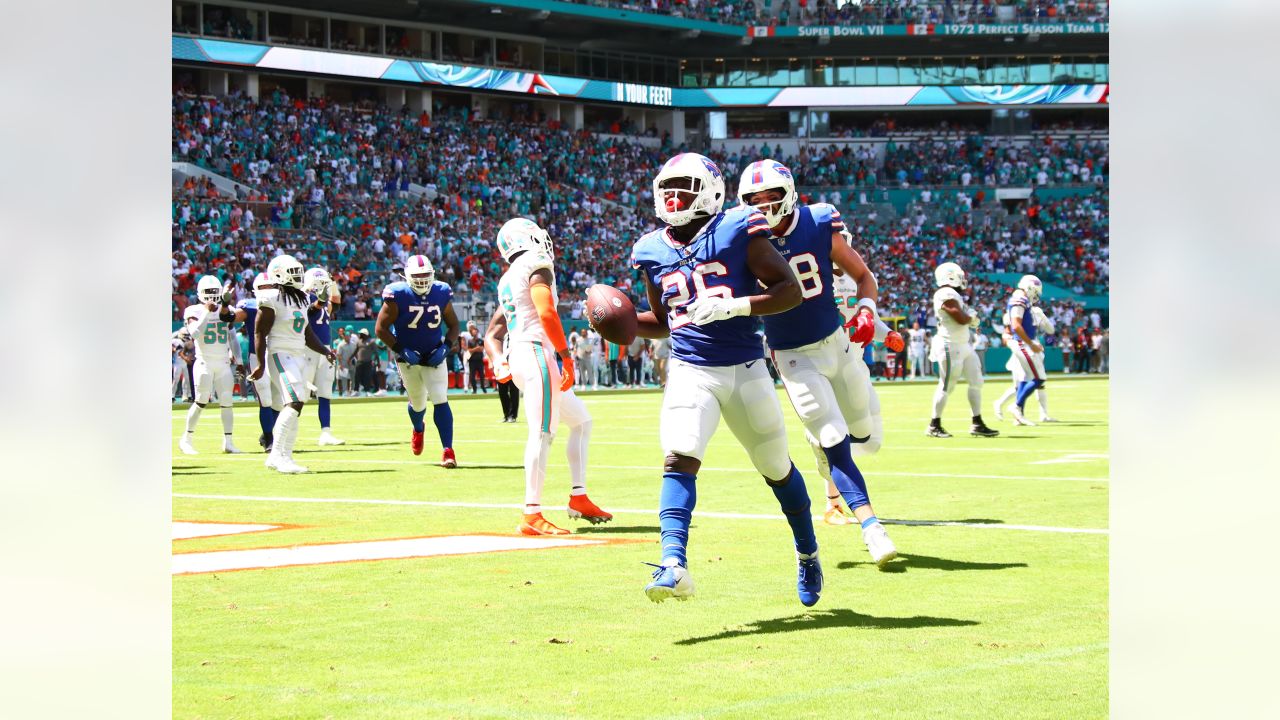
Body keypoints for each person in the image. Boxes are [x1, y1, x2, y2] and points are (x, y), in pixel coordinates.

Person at [627, 153, 820, 606]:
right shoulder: (652, 248)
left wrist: (736, 306)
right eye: (667, 187)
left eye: (684, 187)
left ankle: (807, 551)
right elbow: (662, 319)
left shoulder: (737, 228)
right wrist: (618, 322)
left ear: (710, 190)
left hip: (746, 369)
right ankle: (674, 564)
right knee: (680, 453)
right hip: (692, 367)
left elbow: (789, 289)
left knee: (776, 467)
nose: (673, 196)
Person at [737, 159, 897, 566]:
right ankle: (872, 527)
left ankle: (829, 449)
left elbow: (863, 276)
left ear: (788, 193)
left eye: (771, 196)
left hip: (838, 345)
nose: (763, 205)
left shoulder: (819, 221)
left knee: (865, 435)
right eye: (754, 199)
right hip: (791, 355)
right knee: (832, 437)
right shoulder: (740, 238)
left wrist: (865, 309)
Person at [495, 218, 612, 534]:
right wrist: (565, 355)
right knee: (543, 431)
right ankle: (532, 513)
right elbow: (546, 311)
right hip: (536, 352)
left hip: (523, 352)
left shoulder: (507, 277)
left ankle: (579, 496)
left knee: (581, 422)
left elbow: (497, 328)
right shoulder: (536, 262)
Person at [247, 254, 338, 474]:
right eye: (293, 272)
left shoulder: (302, 299)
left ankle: (285, 456)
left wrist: (325, 351)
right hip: (279, 353)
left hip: (298, 354)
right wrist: (259, 364)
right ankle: (276, 455)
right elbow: (260, 333)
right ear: (279, 274)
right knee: (295, 401)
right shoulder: (271, 298)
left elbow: (306, 333)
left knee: (296, 404)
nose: (298, 276)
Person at [375, 255, 461, 468]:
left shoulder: (441, 292)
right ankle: (418, 428)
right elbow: (380, 328)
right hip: (408, 358)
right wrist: (401, 349)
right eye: (417, 276)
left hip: (433, 355)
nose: (422, 280)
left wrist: (445, 347)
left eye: (426, 275)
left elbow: (454, 326)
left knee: (440, 398)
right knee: (418, 402)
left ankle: (447, 450)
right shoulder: (398, 294)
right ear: (407, 276)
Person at [926, 262, 1000, 438]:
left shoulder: (952, 294)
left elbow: (962, 317)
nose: (962, 279)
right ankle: (933, 424)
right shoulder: (946, 293)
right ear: (951, 276)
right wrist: (971, 318)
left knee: (976, 381)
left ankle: (977, 422)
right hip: (950, 345)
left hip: (963, 344)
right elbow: (959, 318)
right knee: (947, 386)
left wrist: (969, 318)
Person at [178, 275, 243, 455]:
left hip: (223, 362)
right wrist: (207, 312)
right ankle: (186, 439)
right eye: (208, 293)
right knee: (200, 401)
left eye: (215, 292)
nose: (212, 296)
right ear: (200, 294)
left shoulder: (226, 309)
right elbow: (195, 333)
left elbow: (232, 336)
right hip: (204, 361)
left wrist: (239, 361)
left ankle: (228, 442)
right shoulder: (194, 310)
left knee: (227, 403)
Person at [232, 272, 280, 451]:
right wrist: (223, 308)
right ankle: (269, 439)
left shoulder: (283, 304)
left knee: (279, 400)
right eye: (263, 287)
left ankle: (267, 432)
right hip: (257, 355)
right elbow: (233, 317)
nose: (267, 291)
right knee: (265, 398)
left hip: (278, 352)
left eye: (270, 287)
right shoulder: (250, 305)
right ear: (256, 290)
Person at [993, 302, 1058, 424]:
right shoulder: (1014, 313)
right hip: (1021, 349)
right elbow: (1007, 335)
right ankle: (1007, 407)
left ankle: (1042, 414)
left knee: (1037, 383)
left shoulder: (1033, 311)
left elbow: (1047, 329)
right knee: (1021, 385)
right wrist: (1022, 344)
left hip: (1030, 348)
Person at [302, 267, 344, 446]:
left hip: (325, 349)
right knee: (301, 394)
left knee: (325, 391)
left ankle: (325, 432)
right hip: (309, 349)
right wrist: (320, 301)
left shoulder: (327, 302)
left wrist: (333, 284)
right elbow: (311, 310)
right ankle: (287, 430)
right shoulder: (304, 299)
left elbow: (336, 302)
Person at [1003, 275, 1051, 425]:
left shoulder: (1022, 300)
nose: (1036, 294)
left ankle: (1019, 413)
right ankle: (1016, 406)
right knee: (1039, 378)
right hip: (1023, 344)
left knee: (1026, 378)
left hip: (1024, 343)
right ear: (1030, 288)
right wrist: (1030, 344)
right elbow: (1016, 325)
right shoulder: (1019, 300)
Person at [492, 314, 520, 422]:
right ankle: (506, 414)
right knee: (502, 390)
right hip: (501, 363)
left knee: (513, 389)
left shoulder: (517, 333)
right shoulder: (499, 334)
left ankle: (513, 415)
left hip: (513, 362)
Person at [464, 322, 488, 393]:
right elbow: (469, 350)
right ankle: (474, 389)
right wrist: (476, 349)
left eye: (476, 331)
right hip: (472, 361)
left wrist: (476, 349)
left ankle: (483, 388)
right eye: (473, 332)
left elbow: (482, 349)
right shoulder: (470, 341)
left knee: (482, 375)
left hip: (480, 360)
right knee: (472, 376)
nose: (475, 333)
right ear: (471, 333)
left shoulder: (481, 341)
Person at [354, 329, 376, 394]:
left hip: (368, 362)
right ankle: (356, 391)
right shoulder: (359, 341)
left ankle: (367, 391)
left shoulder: (371, 341)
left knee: (367, 377)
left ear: (365, 335)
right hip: (359, 362)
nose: (359, 335)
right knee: (357, 376)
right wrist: (350, 358)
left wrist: (376, 361)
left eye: (361, 334)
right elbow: (356, 351)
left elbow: (375, 352)